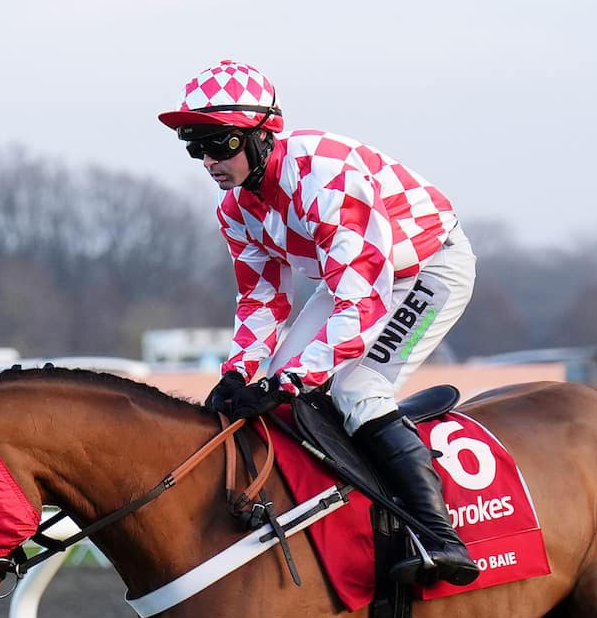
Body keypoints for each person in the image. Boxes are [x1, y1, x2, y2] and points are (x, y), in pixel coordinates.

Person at [160, 59, 480, 588]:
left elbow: (362, 299)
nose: (208, 162)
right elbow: (262, 297)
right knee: (281, 393)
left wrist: (291, 378)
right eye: (196, 147)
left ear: (262, 136)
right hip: (357, 279)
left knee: (356, 387)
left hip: (426, 268)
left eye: (219, 145)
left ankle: (439, 536)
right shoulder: (235, 208)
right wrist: (241, 371)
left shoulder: (322, 177)